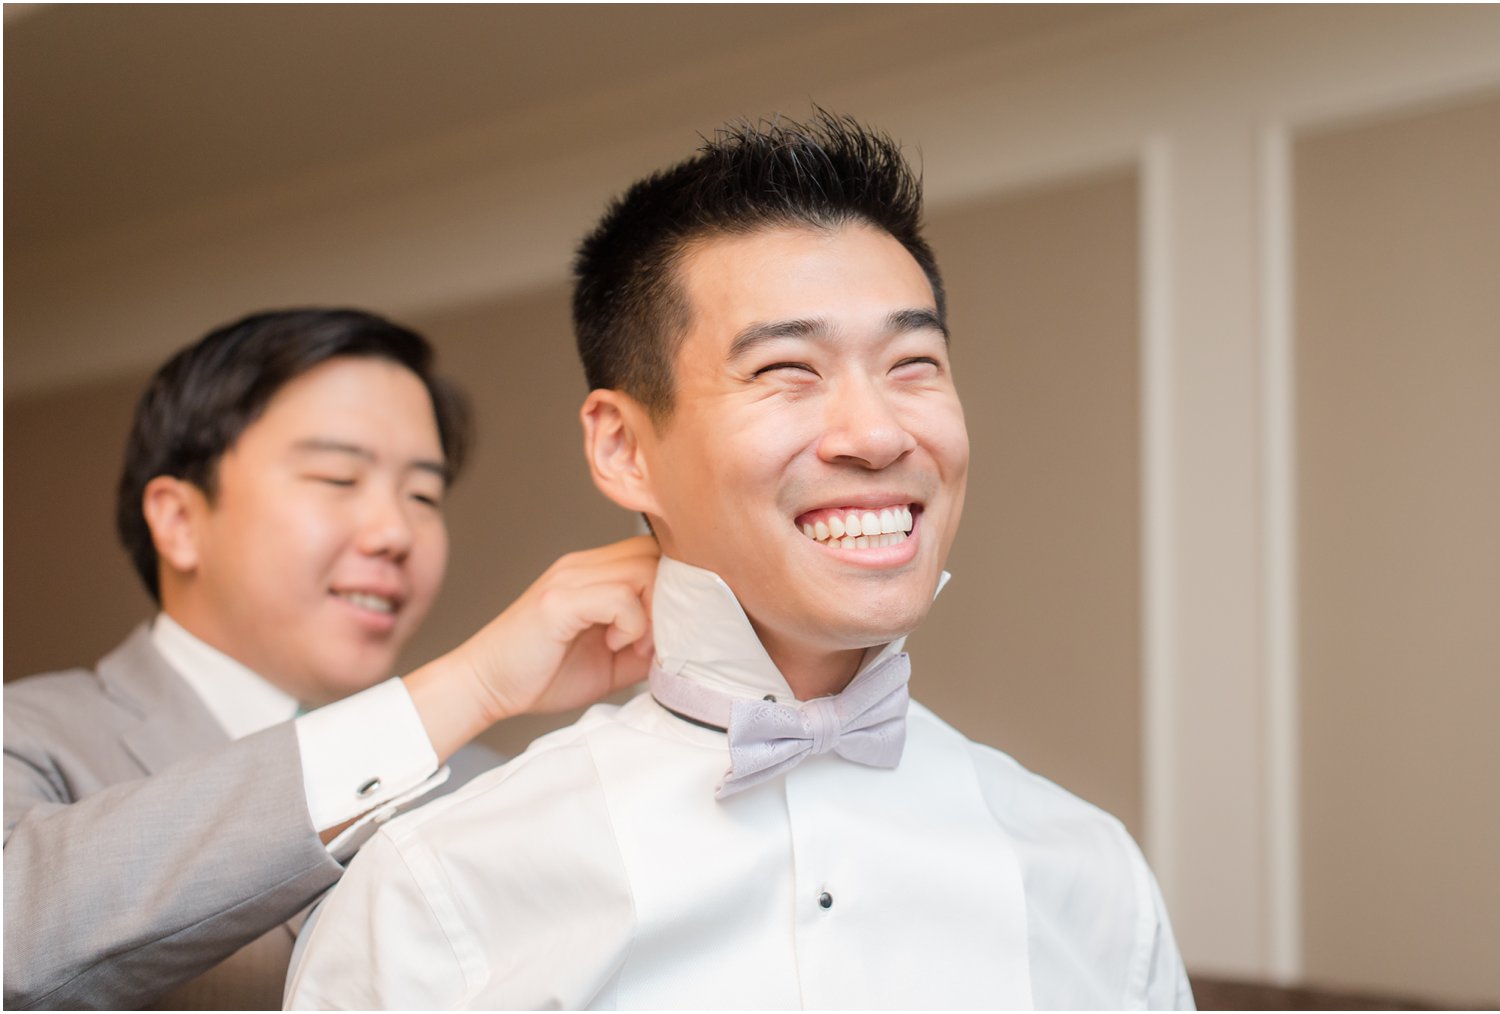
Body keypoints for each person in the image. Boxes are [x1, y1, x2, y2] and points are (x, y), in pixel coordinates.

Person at [285, 114, 1194, 1010]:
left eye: (913, 362)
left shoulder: (1091, 875)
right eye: (787, 370)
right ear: (623, 449)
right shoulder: (439, 892)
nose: (878, 433)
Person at [3, 309, 659, 1010]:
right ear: (179, 521)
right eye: (338, 479)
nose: (394, 532)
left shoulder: (485, 786)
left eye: (423, 495)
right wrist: (470, 685)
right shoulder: (33, 734)